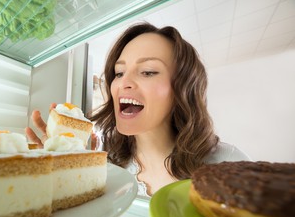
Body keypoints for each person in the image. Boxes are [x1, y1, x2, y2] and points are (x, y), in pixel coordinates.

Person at [26, 22, 250, 198]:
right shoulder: (110, 165)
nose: (124, 83)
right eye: (119, 73)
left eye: (148, 72)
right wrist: (65, 172)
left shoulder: (229, 165)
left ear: (183, 88)